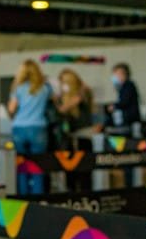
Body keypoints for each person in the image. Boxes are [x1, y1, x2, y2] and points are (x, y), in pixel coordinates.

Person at [7, 60, 51, 195]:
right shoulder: (45, 88)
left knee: (22, 166)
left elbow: (11, 109)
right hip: (38, 128)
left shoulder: (18, 88)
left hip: (19, 128)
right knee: (37, 166)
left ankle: (24, 197)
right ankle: (38, 197)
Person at [55, 68, 94, 191]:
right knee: (70, 174)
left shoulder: (82, 95)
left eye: (63, 82)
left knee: (84, 174)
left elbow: (63, 109)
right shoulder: (63, 98)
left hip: (82, 138)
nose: (61, 86)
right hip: (69, 139)